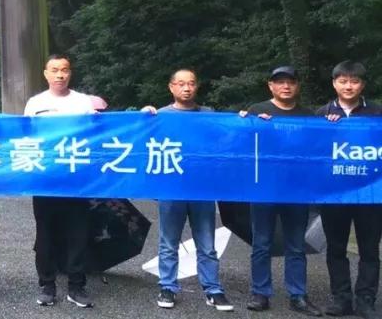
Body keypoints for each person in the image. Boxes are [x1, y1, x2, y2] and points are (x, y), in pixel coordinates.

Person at [142, 69, 233, 311]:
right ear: (171, 87)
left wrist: (246, 119)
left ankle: (213, 289)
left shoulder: (209, 115)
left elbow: (226, 140)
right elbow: (143, 143)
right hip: (172, 188)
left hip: (202, 189)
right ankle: (168, 287)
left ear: (197, 86)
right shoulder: (160, 116)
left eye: (191, 83)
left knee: (206, 243)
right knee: (168, 242)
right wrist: (142, 117)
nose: (186, 88)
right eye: (181, 84)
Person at [238, 66, 322, 315]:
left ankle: (298, 295)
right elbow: (242, 144)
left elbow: (319, 148)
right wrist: (246, 123)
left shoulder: (308, 116)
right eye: (280, 82)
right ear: (271, 86)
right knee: (261, 243)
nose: (286, 86)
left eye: (291, 82)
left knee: (296, 244)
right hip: (264, 187)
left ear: (297, 86)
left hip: (296, 189)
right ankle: (260, 293)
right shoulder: (257, 110)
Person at [23, 54, 105, 308]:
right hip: (45, 178)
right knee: (45, 233)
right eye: (55, 69)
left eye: (65, 69)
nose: (60, 74)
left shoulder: (83, 102)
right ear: (45, 74)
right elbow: (26, 137)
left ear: (70, 73)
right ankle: (47, 285)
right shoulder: (35, 103)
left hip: (76, 179)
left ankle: (76, 286)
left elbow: (99, 133)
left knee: (77, 233)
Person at [318, 61, 382, 318]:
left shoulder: (377, 112)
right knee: (336, 248)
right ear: (334, 83)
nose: (348, 86)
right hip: (334, 193)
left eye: (354, 81)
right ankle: (341, 299)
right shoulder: (321, 114)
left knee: (369, 249)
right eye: (343, 81)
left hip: (370, 193)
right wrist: (326, 129)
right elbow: (308, 149)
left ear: (362, 85)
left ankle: (366, 300)